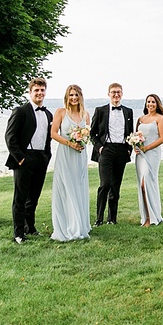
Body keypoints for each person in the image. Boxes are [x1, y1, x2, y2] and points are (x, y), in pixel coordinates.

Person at [5, 77, 53, 244]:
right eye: (36, 90)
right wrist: (20, 159)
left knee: (34, 196)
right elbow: (10, 138)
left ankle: (30, 228)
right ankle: (18, 233)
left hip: (41, 158)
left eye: (42, 90)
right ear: (30, 92)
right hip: (24, 158)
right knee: (20, 198)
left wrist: (47, 156)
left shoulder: (48, 114)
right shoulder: (20, 111)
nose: (39, 93)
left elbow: (48, 138)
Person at [49, 85, 92, 241]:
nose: (74, 98)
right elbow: (53, 133)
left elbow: (88, 135)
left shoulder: (85, 115)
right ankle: (67, 225)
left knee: (78, 188)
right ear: (67, 97)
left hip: (80, 155)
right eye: (71, 95)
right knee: (66, 188)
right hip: (66, 154)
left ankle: (80, 224)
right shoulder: (60, 112)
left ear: (81, 96)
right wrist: (70, 143)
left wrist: (82, 141)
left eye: (76, 95)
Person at [90, 83, 134, 226]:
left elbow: (130, 132)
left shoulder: (128, 111)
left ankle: (112, 218)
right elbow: (92, 133)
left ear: (122, 94)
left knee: (116, 186)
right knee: (105, 184)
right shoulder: (100, 110)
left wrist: (129, 149)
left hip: (121, 150)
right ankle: (99, 218)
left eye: (119, 92)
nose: (116, 95)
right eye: (113, 92)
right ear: (108, 94)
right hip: (106, 150)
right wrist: (100, 148)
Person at [134, 94, 163, 227]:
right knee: (141, 185)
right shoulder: (141, 119)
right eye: (148, 102)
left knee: (146, 183)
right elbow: (135, 136)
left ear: (157, 104)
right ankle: (146, 216)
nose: (150, 104)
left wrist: (147, 147)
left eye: (153, 102)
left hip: (152, 155)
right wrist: (135, 147)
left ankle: (152, 217)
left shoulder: (160, 119)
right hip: (140, 156)